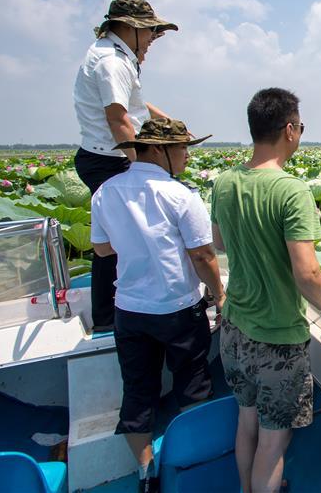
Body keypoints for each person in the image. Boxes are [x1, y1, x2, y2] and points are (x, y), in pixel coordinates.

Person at [210, 88, 321, 493]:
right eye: (300, 127)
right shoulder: (292, 190)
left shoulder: (224, 182)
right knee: (273, 442)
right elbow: (307, 274)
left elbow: (218, 243)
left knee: (246, 421)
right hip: (276, 339)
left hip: (234, 329)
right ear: (289, 129)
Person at [89, 118, 224, 493]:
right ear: (159, 150)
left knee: (137, 388)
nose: (186, 155)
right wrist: (220, 295)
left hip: (129, 309)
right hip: (179, 306)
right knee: (192, 384)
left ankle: (145, 471)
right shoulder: (180, 195)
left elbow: (101, 249)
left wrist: (136, 244)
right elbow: (202, 255)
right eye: (182, 148)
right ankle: (193, 460)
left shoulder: (105, 191)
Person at [73, 0, 179, 332]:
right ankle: (106, 317)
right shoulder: (112, 62)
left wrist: (168, 121)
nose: (151, 40)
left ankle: (118, 308)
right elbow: (118, 119)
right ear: (130, 28)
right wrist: (143, 170)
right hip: (109, 159)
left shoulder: (113, 56)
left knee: (119, 239)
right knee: (113, 244)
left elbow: (132, 103)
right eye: (149, 32)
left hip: (105, 157)